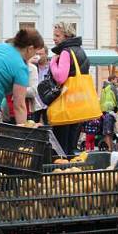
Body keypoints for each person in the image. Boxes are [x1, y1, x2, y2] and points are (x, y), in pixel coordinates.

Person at [48, 22, 90, 155]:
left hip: (66, 102)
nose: (54, 38)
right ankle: (71, 171)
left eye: (57, 35)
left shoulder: (66, 52)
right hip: (78, 102)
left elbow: (60, 77)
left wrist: (53, 62)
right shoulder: (80, 51)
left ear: (66, 36)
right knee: (72, 143)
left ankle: (61, 170)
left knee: (61, 145)